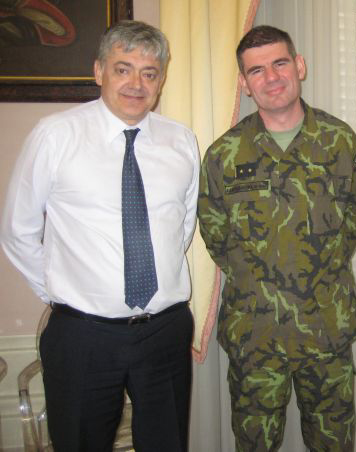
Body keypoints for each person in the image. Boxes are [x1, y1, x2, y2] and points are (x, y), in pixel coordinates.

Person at [0, 20, 199, 452]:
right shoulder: (55, 135)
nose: (136, 84)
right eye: (123, 69)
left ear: (161, 79)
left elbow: (181, 227)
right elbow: (17, 230)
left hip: (164, 331)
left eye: (149, 73)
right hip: (83, 338)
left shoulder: (181, 141)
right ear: (98, 71)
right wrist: (62, 293)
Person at [197, 25, 356, 451]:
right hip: (255, 332)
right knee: (255, 443)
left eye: (279, 63)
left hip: (325, 326)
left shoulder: (339, 141)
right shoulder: (224, 154)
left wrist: (313, 273)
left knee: (333, 443)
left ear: (299, 66)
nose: (271, 77)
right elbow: (215, 233)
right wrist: (265, 282)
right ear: (244, 83)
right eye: (256, 70)